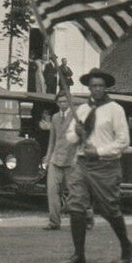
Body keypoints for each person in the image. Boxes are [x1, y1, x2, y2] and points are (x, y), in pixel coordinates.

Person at [60, 69, 132, 263]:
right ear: (89, 87)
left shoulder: (115, 109)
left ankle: (126, 245)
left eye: (101, 85)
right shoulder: (81, 110)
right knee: (76, 206)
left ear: (106, 87)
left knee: (109, 209)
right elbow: (69, 138)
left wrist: (100, 151)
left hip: (106, 166)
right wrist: (76, 133)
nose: (97, 89)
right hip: (83, 164)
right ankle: (79, 254)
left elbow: (123, 141)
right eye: (94, 86)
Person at [42, 90, 82, 231]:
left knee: (75, 192)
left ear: (70, 101)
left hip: (72, 160)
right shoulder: (54, 117)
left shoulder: (77, 116)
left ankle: (85, 216)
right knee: (52, 190)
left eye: (65, 101)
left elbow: (82, 138)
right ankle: (54, 221)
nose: (62, 104)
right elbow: (52, 140)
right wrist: (47, 159)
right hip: (55, 159)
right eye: (60, 102)